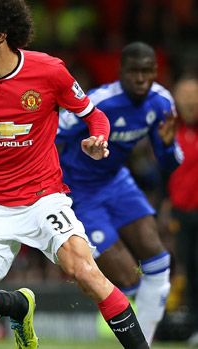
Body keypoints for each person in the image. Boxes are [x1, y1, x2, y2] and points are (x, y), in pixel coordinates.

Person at [0, 1, 149, 348]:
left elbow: (93, 115)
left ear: (0, 34)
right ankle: (20, 306)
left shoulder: (48, 71)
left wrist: (98, 137)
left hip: (43, 199)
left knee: (85, 272)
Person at [56, 42, 181, 345]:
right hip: (79, 192)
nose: (141, 78)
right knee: (127, 278)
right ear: (121, 72)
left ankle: (145, 343)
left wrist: (165, 145)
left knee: (158, 261)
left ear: (156, 71)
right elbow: (51, 136)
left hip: (116, 182)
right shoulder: (98, 103)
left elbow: (168, 162)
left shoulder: (162, 103)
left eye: (147, 71)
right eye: (134, 71)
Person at [168, 74, 198, 347]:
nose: (189, 101)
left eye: (193, 95)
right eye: (184, 95)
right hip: (181, 213)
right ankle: (194, 325)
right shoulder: (169, 131)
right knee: (188, 269)